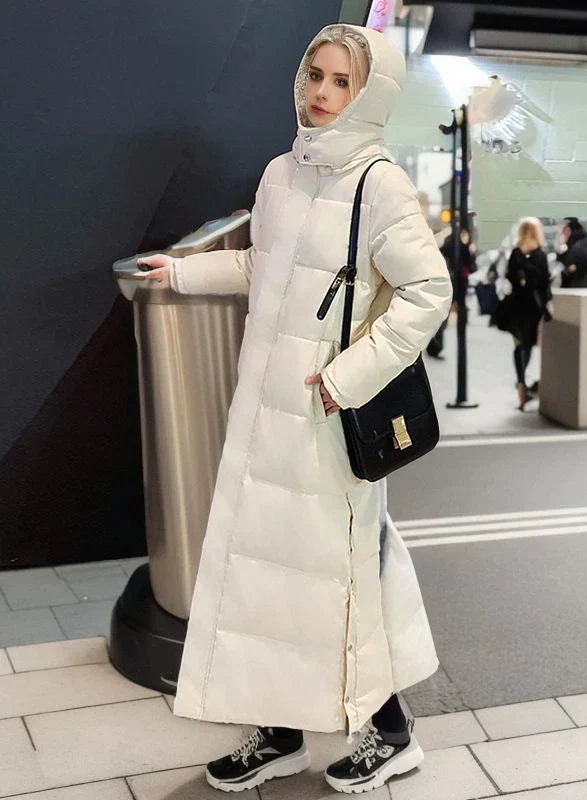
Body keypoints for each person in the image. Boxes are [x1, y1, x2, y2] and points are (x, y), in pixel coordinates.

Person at [137, 24, 451, 795]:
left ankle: (391, 732)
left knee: (340, 579)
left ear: (370, 95)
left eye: (343, 81)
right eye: (316, 74)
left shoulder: (380, 185)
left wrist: (349, 375)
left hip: (326, 422)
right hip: (263, 417)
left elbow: (428, 291)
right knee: (268, 581)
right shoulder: (283, 172)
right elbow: (261, 264)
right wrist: (181, 274)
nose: (322, 92)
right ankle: (279, 733)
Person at [503, 217, 552, 410]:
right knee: (528, 343)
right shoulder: (540, 255)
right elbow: (545, 282)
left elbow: (509, 276)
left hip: (517, 305)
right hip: (533, 307)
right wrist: (547, 303)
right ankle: (522, 383)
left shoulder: (516, 254)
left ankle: (521, 382)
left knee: (519, 344)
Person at [557, 216, 587, 288]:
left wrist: (561, 247)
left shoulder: (577, 246)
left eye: (564, 230)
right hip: (584, 285)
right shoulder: (584, 241)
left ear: (569, 230)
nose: (562, 233)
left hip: (577, 286)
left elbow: (571, 267)